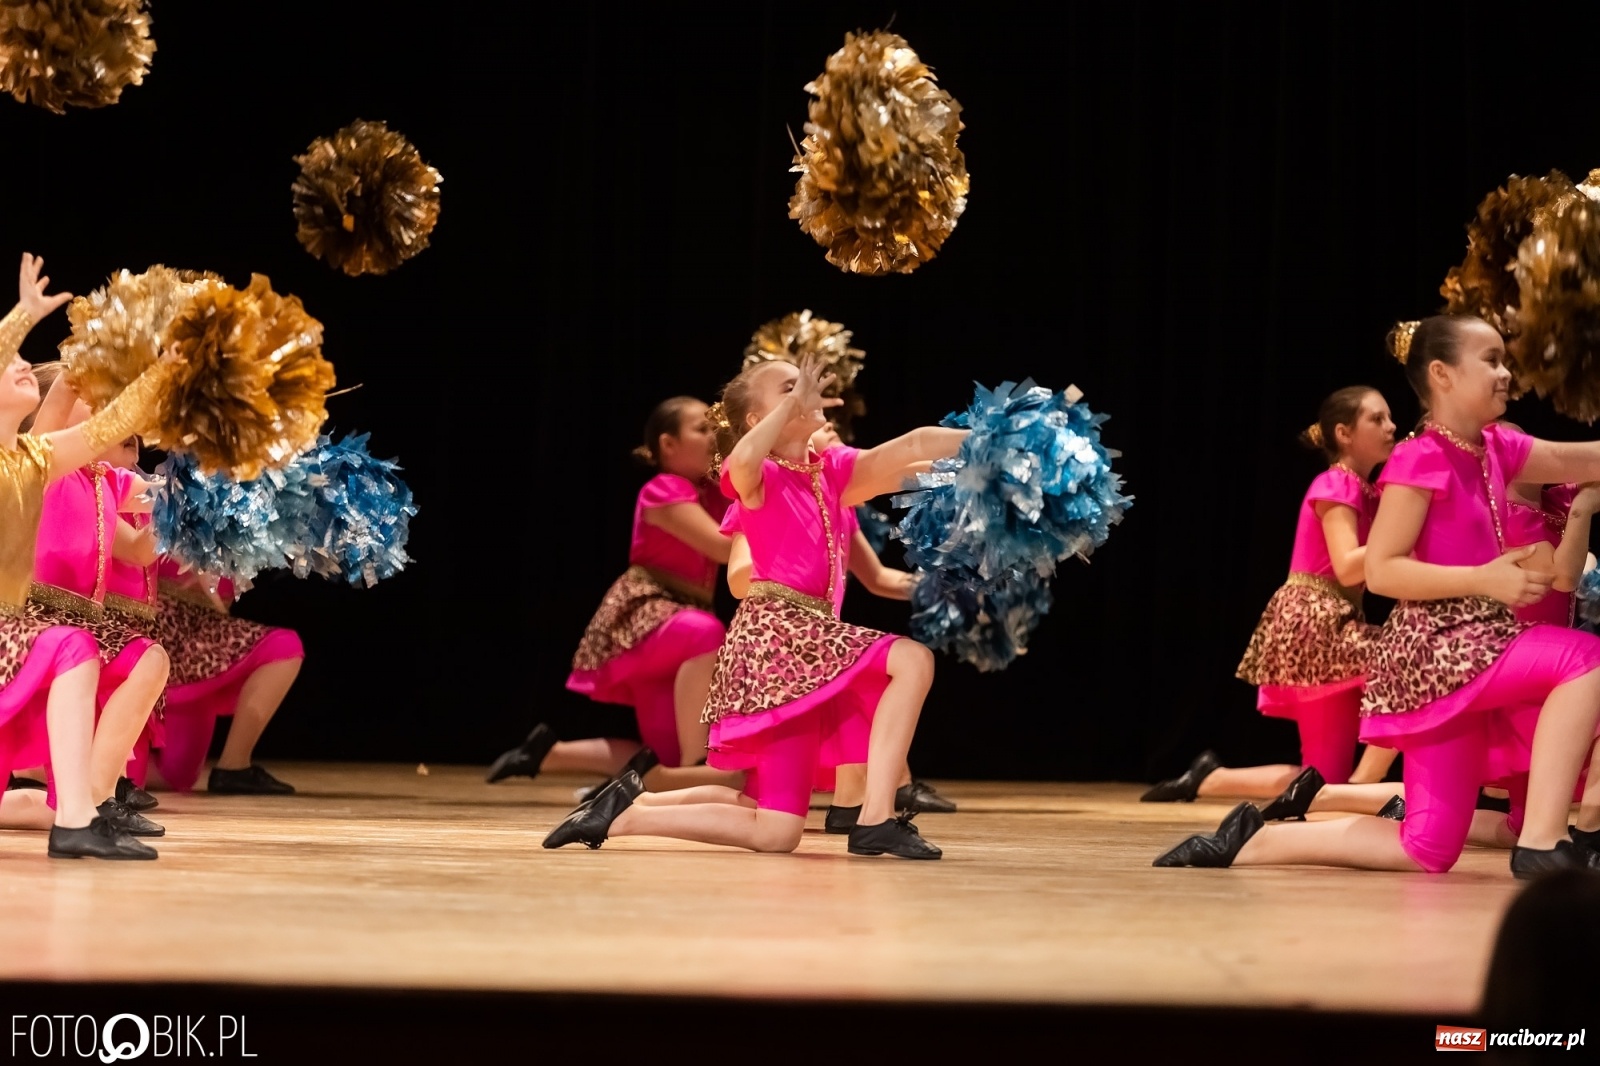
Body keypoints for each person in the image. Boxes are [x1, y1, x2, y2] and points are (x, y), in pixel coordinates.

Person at [1155, 315, 1600, 877]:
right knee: (1584, 658)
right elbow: (1384, 572)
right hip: (1439, 648)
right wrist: (1485, 578)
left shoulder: (1499, 446)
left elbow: (1582, 458)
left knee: (1427, 848)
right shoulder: (1420, 458)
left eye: (1504, 359)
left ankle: (1254, 841)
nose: (1506, 373)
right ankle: (1541, 840)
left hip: (1474, 646)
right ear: (1441, 374)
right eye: (1491, 360)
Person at [542, 355, 963, 858]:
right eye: (788, 387)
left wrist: (989, 445)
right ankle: (875, 820)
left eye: (803, 384)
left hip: (805, 642)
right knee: (912, 660)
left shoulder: (831, 469)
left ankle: (627, 811)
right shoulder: (756, 477)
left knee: (772, 827)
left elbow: (912, 449)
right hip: (778, 639)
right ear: (756, 419)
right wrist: (790, 407)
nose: (805, 391)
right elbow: (740, 462)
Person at [1144, 388, 1399, 808]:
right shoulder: (1337, 482)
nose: (1391, 426)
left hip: (1335, 621)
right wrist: (1398, 538)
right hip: (1316, 624)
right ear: (1344, 432)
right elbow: (1349, 567)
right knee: (1409, 658)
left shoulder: (1370, 492)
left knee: (1320, 779)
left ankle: (1211, 778)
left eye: (1390, 417)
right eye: (1377, 418)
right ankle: (1360, 788)